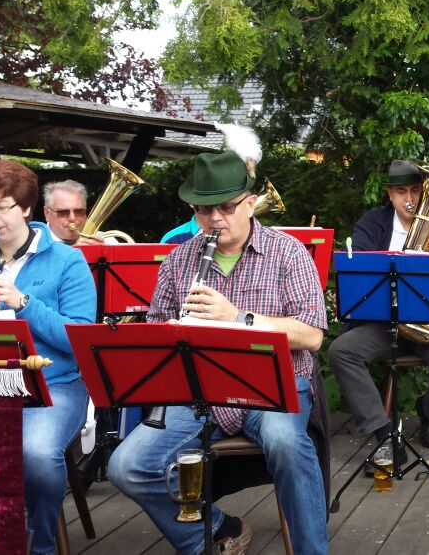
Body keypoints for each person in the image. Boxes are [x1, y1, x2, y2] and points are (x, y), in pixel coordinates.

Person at [106, 150, 329, 555]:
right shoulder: (179, 260)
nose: (215, 220)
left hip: (273, 386)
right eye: (205, 210)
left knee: (285, 444)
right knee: (126, 466)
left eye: (226, 208)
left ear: (249, 202)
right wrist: (175, 331)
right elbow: (155, 333)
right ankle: (214, 532)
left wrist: (236, 317)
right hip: (198, 390)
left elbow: (312, 335)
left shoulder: (289, 253)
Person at [0, 159, 97, 555]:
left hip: (53, 385)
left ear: (25, 208)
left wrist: (24, 303)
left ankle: (40, 544)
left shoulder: (67, 261)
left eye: (1, 207)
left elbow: (78, 339)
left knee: (36, 453)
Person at [328, 160, 429, 464]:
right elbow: (359, 270)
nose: (409, 199)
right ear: (390, 194)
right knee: (341, 352)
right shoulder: (372, 224)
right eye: (401, 192)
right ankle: (383, 434)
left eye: (415, 190)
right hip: (386, 324)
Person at [42, 179, 104, 245]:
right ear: (47, 213)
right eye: (63, 212)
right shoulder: (34, 242)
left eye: (79, 211)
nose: (72, 218)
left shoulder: (105, 239)